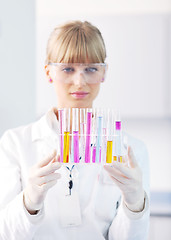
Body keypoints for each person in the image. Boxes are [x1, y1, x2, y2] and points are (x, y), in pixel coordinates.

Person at [0, 20, 150, 240]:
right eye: (68, 68)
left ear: (104, 73)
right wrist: (29, 202)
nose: (80, 82)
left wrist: (135, 204)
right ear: (48, 72)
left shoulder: (131, 149)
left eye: (91, 69)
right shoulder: (15, 143)